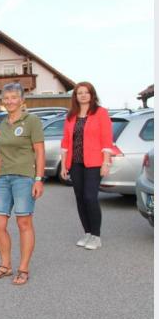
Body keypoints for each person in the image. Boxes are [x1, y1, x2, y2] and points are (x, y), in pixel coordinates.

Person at [0, 83, 45, 286]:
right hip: (4, 178)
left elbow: (39, 151)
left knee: (24, 223)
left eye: (14, 97)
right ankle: (5, 265)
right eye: (6, 98)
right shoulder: (3, 123)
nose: (10, 101)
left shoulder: (32, 121)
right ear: (3, 101)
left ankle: (23, 268)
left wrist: (38, 179)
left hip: (24, 177)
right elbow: (1, 155)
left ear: (22, 100)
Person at [59, 81, 115, 250]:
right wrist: (63, 166)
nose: (83, 95)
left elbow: (106, 139)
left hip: (94, 163)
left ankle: (96, 236)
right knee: (80, 198)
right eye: (79, 93)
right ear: (75, 96)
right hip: (75, 163)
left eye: (86, 92)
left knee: (90, 197)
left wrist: (106, 162)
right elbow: (66, 142)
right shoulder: (71, 116)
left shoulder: (100, 113)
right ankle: (87, 233)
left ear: (92, 95)